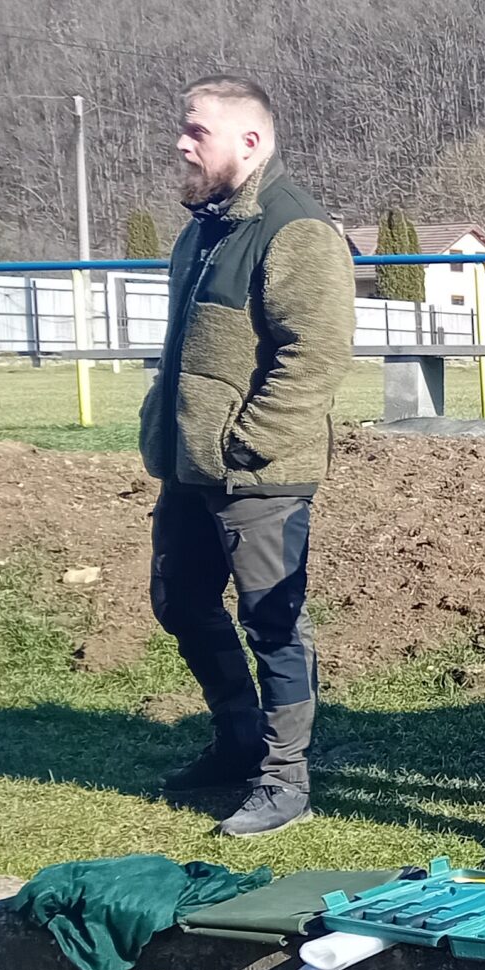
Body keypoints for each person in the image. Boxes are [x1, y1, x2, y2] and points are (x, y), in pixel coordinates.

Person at [143, 76, 355, 837]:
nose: (182, 143)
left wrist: (247, 442)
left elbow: (316, 355)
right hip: (190, 467)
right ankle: (237, 738)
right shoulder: (202, 232)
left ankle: (284, 778)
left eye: (197, 131)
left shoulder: (295, 229)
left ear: (251, 141)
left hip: (259, 473)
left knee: (274, 623)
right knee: (180, 602)